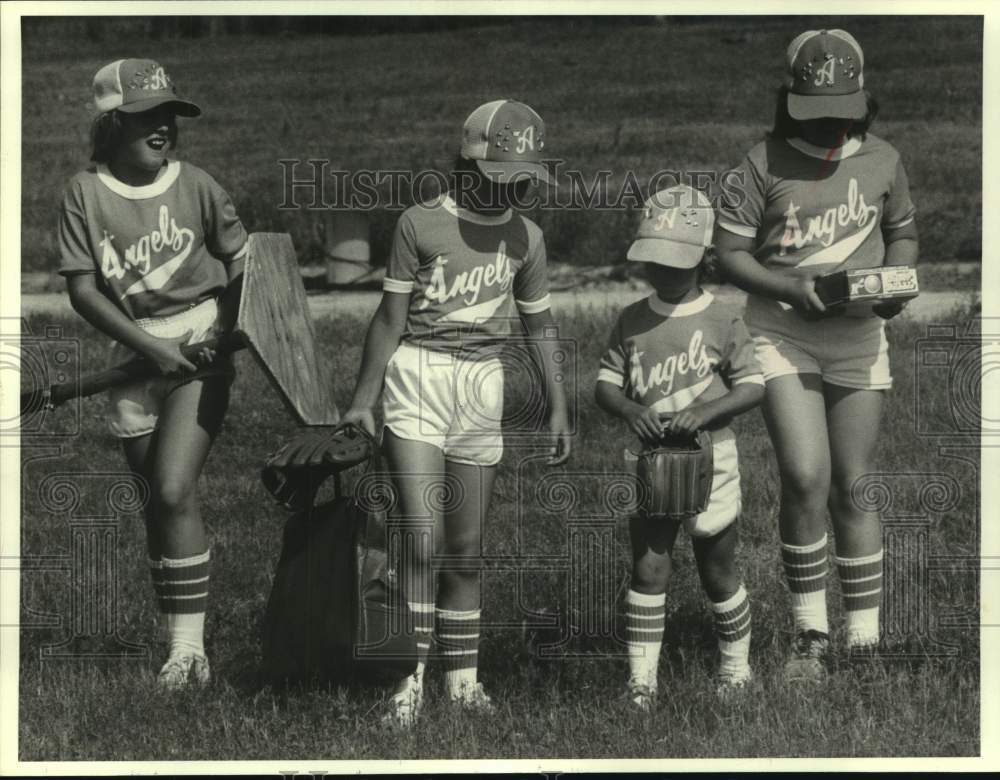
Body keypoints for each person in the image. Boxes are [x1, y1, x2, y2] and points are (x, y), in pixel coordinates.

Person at [341, 100, 572, 726]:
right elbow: (389, 319)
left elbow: (541, 325)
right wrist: (364, 400)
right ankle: (406, 682)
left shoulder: (527, 236)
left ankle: (463, 682)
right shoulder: (420, 222)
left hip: (482, 385)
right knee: (422, 538)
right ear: (468, 161)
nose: (516, 185)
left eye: (524, 174)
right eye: (504, 172)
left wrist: (558, 406)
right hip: (418, 377)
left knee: (466, 550)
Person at [713, 29, 919, 681]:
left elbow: (903, 234)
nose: (830, 119)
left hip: (859, 334)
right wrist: (789, 289)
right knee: (806, 475)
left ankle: (863, 642)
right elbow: (729, 254)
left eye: (841, 105)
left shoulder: (883, 159)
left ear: (863, 98)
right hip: (781, 330)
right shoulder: (761, 161)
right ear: (790, 99)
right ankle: (811, 638)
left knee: (854, 483)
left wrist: (895, 284)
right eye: (815, 106)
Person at [57, 59, 249, 688]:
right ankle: (178, 646)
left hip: (201, 345)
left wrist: (223, 329)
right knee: (155, 510)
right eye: (145, 115)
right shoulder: (84, 194)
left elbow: (251, 263)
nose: (162, 125)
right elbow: (85, 292)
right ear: (112, 123)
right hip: (136, 354)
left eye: (168, 113)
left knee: (172, 489)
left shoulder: (195, 183)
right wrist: (151, 348)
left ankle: (191, 652)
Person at [595, 185, 765, 708]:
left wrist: (707, 412)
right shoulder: (632, 318)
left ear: (704, 259)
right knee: (648, 566)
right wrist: (630, 409)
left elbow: (753, 385)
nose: (664, 270)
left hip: (712, 456)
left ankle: (736, 669)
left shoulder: (722, 316)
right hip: (652, 461)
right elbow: (605, 384)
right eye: (656, 260)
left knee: (717, 567)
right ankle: (641, 684)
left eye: (677, 261)